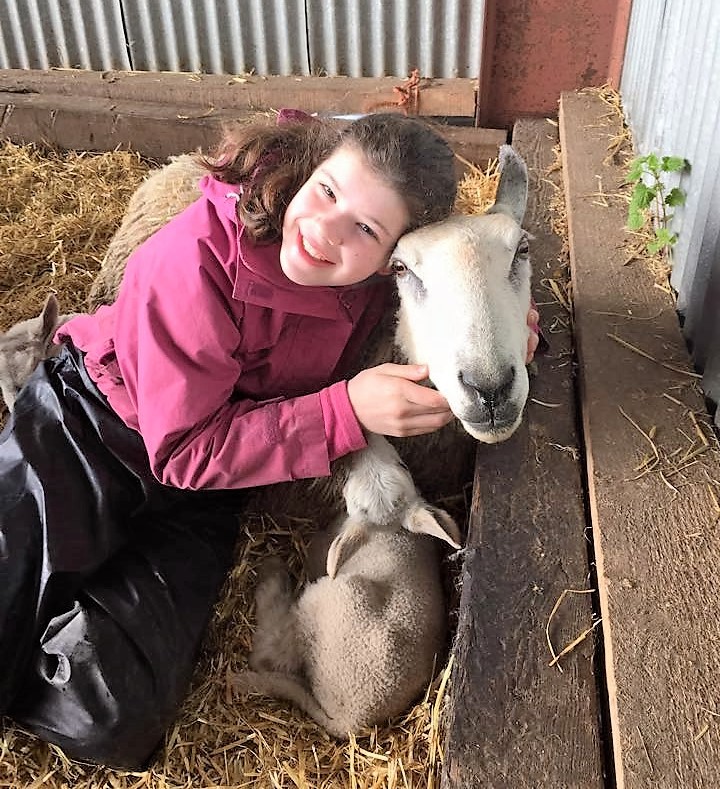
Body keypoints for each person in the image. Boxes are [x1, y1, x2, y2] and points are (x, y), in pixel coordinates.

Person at [0, 111, 539, 769]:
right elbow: (183, 450)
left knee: (108, 718)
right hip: (95, 422)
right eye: (329, 190)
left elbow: (457, 279)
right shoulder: (196, 257)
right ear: (309, 168)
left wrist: (503, 317)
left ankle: (56, 588)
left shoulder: (370, 291)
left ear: (388, 259)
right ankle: (35, 399)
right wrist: (345, 408)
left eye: (365, 228)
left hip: (206, 487)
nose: (324, 229)